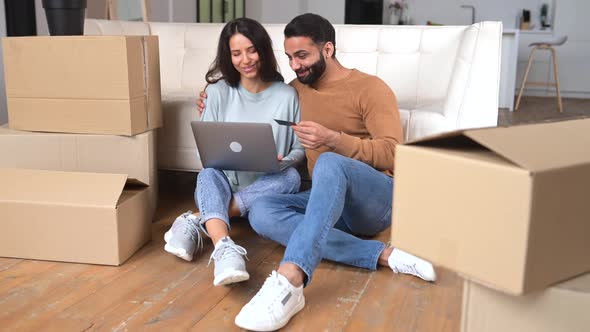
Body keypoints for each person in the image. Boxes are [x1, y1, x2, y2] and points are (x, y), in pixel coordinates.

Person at [198, 13, 436, 332]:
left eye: (302, 56)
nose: (295, 66)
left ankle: (291, 279)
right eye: (289, 58)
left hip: (376, 201)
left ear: (327, 49)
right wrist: (211, 97)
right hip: (326, 200)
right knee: (263, 212)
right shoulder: (295, 90)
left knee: (328, 160)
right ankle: (385, 256)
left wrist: (334, 140)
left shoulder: (371, 88)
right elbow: (257, 98)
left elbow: (394, 152)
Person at [164, 17, 305, 288]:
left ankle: (197, 218)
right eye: (236, 53)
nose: (246, 59)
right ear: (228, 57)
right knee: (208, 173)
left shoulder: (287, 95)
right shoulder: (216, 93)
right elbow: (207, 148)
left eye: (251, 50)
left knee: (291, 179)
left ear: (263, 49)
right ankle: (224, 249)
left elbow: (299, 148)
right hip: (223, 183)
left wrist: (284, 160)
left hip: (268, 182)